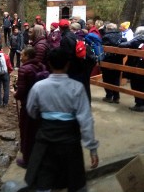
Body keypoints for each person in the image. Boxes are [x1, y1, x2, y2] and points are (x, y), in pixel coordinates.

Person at [25, 47, 99, 191]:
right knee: (75, 182)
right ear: (68, 64)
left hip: (45, 139)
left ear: (49, 64)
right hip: (70, 141)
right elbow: (86, 120)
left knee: (43, 181)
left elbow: (31, 111)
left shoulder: (38, 87)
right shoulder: (77, 88)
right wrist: (92, 148)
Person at [14, 47, 46, 168]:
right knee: (37, 129)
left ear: (27, 56)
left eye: (22, 55)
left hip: (28, 104)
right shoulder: (41, 66)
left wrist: (15, 94)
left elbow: (21, 90)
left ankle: (27, 160)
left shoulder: (24, 69)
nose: (21, 57)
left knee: (26, 131)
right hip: (40, 103)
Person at [59, 19, 92, 102]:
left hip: (73, 65)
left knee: (76, 85)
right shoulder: (72, 35)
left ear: (60, 28)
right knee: (83, 84)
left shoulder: (65, 38)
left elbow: (66, 54)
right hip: (81, 62)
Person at [119, 26, 144, 112]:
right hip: (140, 65)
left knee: (136, 84)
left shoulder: (137, 39)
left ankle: (139, 104)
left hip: (136, 65)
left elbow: (123, 45)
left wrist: (121, 40)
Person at [101, 23, 126, 104]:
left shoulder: (105, 36)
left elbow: (102, 49)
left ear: (108, 29)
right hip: (118, 60)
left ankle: (109, 96)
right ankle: (116, 97)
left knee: (107, 78)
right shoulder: (121, 35)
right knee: (116, 78)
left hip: (108, 60)